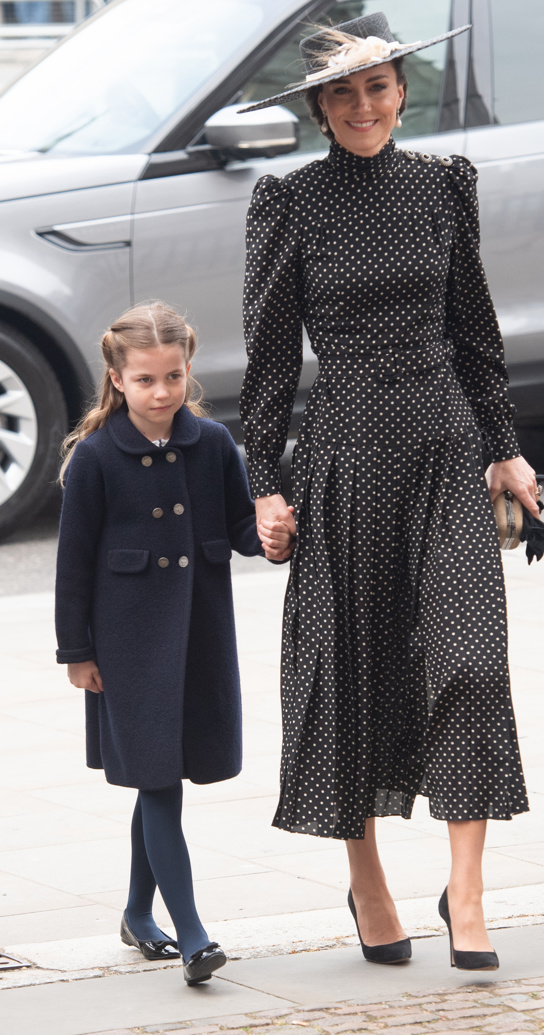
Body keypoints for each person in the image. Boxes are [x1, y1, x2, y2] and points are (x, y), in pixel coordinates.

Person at [239, 13, 538, 971]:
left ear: (404, 93)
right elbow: (271, 363)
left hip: (446, 446)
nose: (363, 106)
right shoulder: (290, 203)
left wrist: (507, 448)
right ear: (320, 110)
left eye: (378, 87)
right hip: (346, 458)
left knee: (469, 659)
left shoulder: (446, 185)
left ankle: (470, 894)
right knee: (354, 665)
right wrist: (264, 484)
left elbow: (475, 329)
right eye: (342, 92)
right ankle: (368, 881)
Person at [55, 301, 293, 986]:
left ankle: (136, 909)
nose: (162, 393)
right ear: (116, 378)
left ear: (189, 370)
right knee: (158, 785)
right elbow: (72, 569)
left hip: (198, 641)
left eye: (174, 376)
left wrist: (274, 534)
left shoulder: (213, 444)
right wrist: (77, 652)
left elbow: (243, 528)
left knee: (158, 780)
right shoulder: (96, 457)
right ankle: (192, 934)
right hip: (127, 652)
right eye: (146, 380)